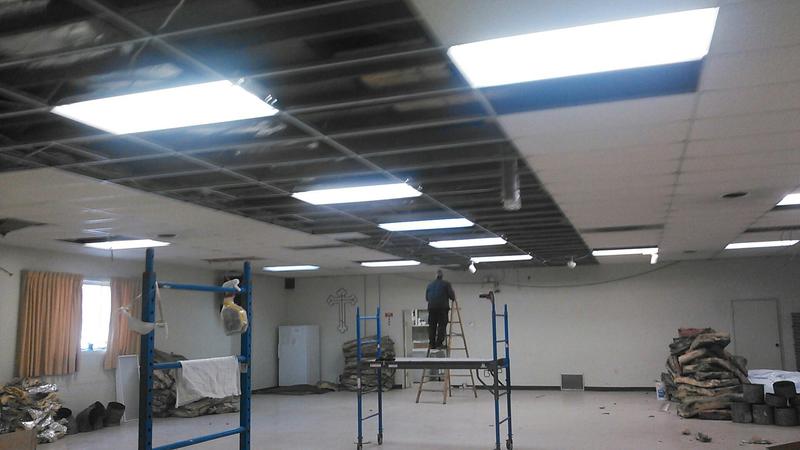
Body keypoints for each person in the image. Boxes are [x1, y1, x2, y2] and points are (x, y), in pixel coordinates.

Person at [425, 269, 456, 350]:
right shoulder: (446, 284)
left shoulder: (430, 285)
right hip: (442, 308)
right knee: (442, 325)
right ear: (442, 276)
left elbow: (427, 298)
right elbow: (452, 296)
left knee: (432, 326)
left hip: (431, 308)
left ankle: (431, 344)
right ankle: (439, 343)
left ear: (436, 276)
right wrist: (453, 297)